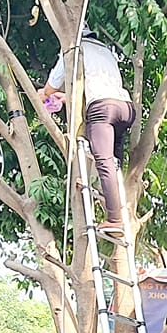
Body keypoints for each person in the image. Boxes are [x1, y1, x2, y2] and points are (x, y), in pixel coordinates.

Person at [41, 32, 133, 234]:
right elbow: (96, 83)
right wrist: (65, 97)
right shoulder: (105, 51)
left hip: (102, 108)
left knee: (103, 160)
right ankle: (110, 196)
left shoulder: (73, 48)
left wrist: (43, 94)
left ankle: (115, 218)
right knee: (113, 161)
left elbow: (52, 84)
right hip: (125, 107)